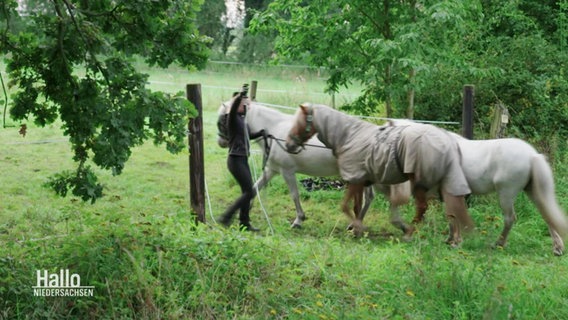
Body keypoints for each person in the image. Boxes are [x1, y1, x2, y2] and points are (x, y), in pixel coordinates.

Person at [218, 84, 265, 231]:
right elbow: (234, 107)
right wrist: (241, 95)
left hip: (242, 159)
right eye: (245, 104)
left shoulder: (241, 119)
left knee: (247, 191)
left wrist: (262, 133)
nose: (247, 106)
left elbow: (247, 136)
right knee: (249, 192)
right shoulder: (231, 118)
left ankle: (244, 223)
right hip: (235, 159)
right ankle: (226, 217)